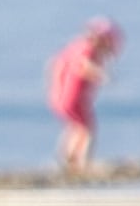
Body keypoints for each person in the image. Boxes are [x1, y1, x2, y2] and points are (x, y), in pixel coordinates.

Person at [50, 17, 121, 177]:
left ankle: (67, 160)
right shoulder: (87, 49)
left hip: (63, 97)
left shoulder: (74, 47)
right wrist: (102, 75)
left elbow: (56, 64)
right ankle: (81, 164)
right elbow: (84, 65)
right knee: (87, 130)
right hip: (73, 98)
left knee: (77, 128)